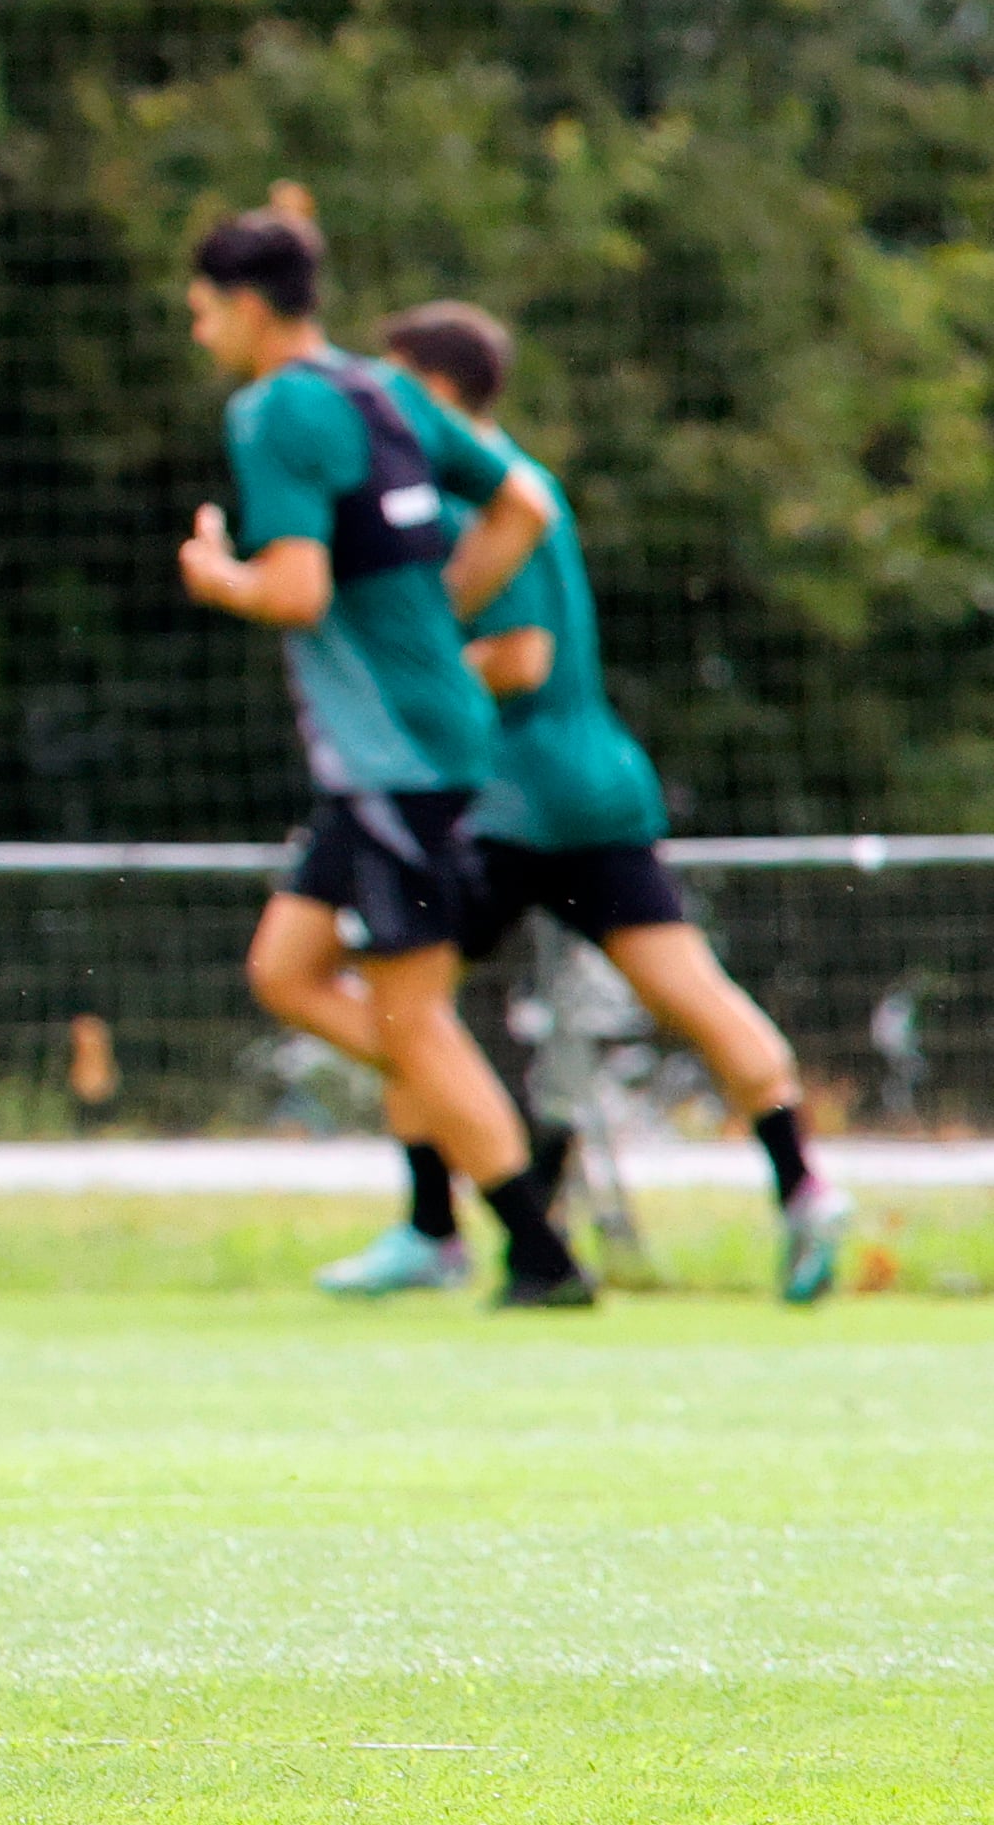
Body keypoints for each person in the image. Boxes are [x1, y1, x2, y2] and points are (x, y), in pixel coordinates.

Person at [302, 302, 854, 1305]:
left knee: (404, 994)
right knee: (690, 990)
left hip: (514, 802)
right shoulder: (523, 478)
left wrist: (408, 678)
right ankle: (803, 1184)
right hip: (597, 784)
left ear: (435, 391)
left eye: (394, 387)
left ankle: (434, 1227)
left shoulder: (469, 499)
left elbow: (522, 658)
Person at [175, 187, 594, 1307]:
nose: (200, 334)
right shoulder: (387, 388)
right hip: (406, 744)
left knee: (412, 1017)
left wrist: (221, 576)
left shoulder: (272, 412)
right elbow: (523, 507)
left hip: (395, 757)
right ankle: (488, 1132)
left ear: (249, 307)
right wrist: (440, 615)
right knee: (286, 970)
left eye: (203, 312)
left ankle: (535, 1246)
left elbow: (299, 587)